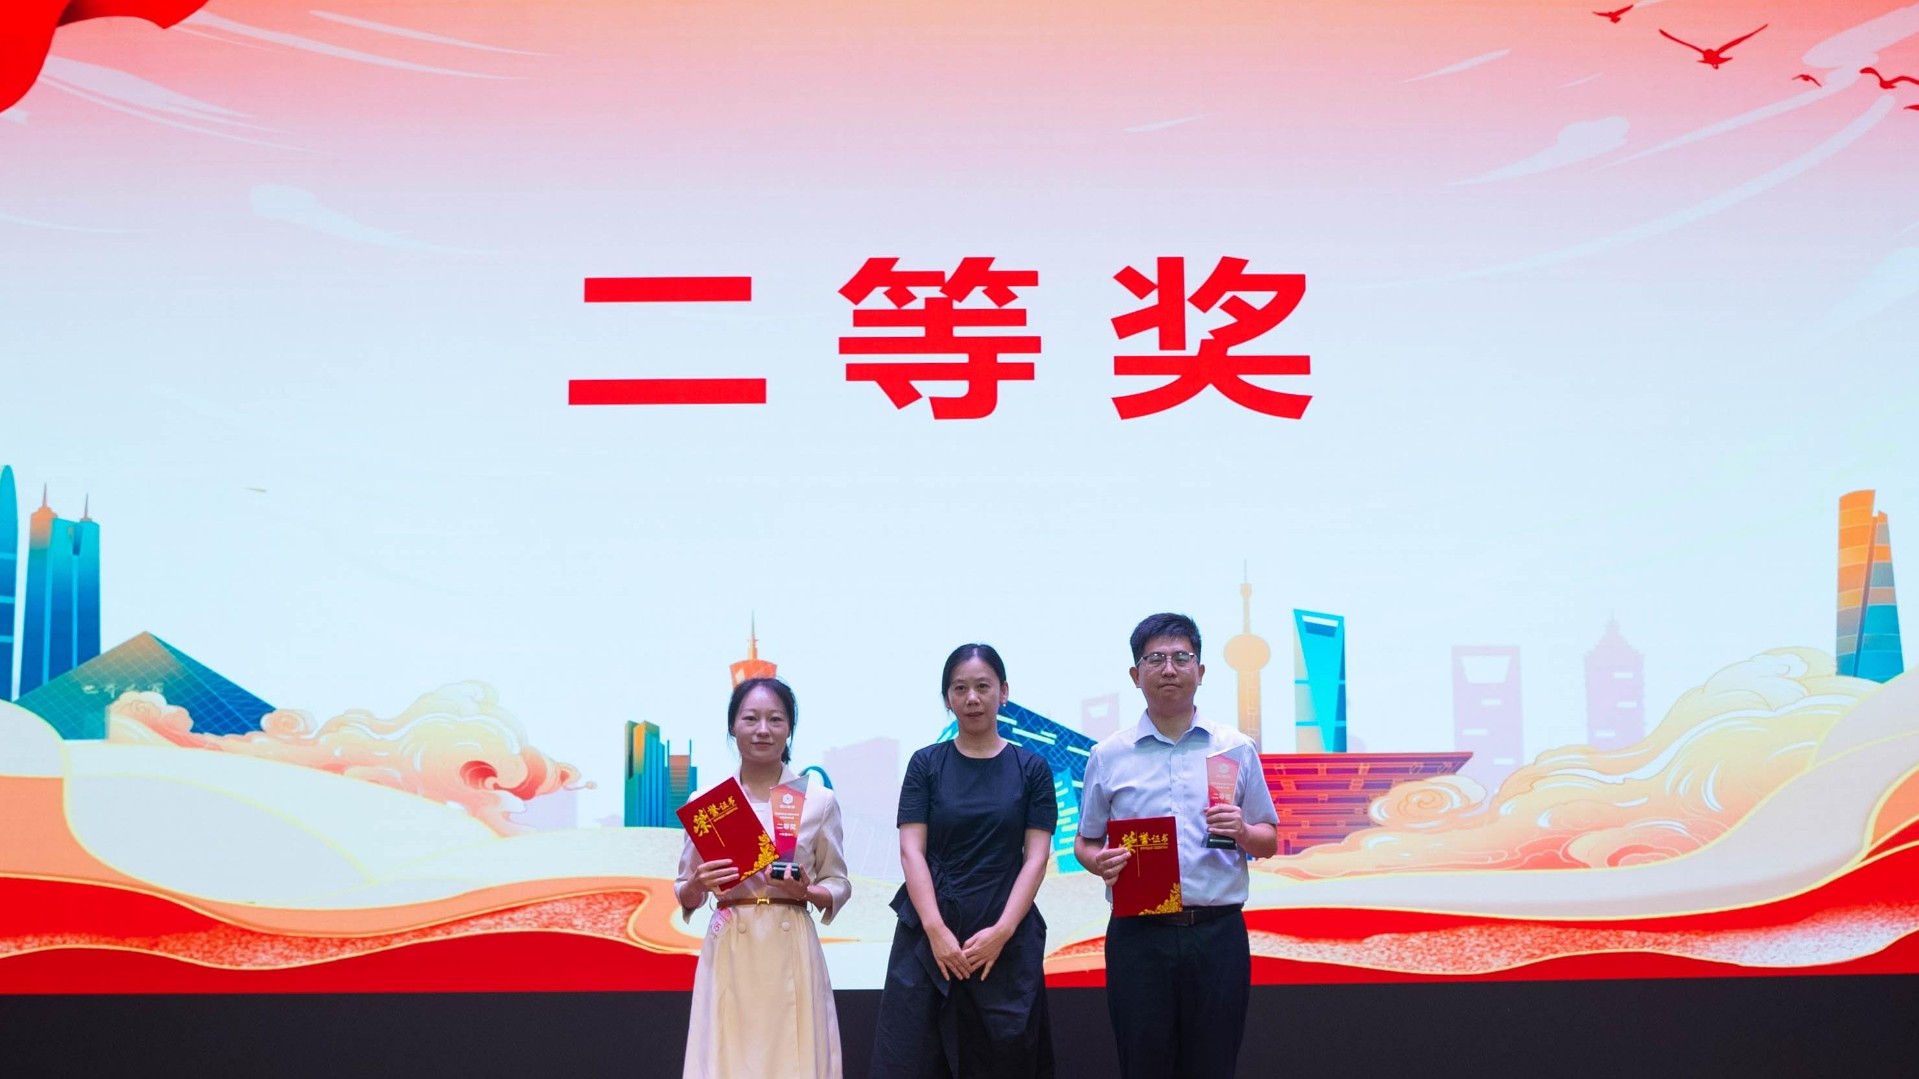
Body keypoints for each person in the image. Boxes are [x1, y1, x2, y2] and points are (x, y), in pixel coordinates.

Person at [1074, 613, 1280, 1079]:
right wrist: (1098, 861)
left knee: (1214, 1065)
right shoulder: (1108, 755)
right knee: (1142, 1065)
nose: (1169, 669)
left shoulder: (1235, 748)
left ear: (1200, 671)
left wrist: (1244, 832)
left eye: (1182, 657)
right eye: (1156, 659)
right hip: (1139, 938)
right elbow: (1085, 841)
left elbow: (1268, 840)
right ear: (1136, 675)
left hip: (1217, 934)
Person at [871, 643, 1058, 1078]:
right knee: (914, 1060)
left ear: (1003, 692)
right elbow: (911, 850)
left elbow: (1036, 857)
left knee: (1003, 1061)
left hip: (1003, 939)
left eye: (983, 687)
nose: (972, 698)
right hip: (929, 939)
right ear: (948, 698)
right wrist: (935, 930)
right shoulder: (926, 764)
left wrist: (1002, 932)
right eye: (960, 688)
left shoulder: (1032, 768)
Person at [676, 677, 851, 1079]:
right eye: (750, 718)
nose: (762, 730)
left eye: (775, 719)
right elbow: (685, 891)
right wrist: (697, 885)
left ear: (789, 729)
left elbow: (839, 882)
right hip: (731, 944)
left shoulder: (818, 800)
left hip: (790, 942)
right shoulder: (708, 803)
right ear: (732, 726)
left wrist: (808, 891)